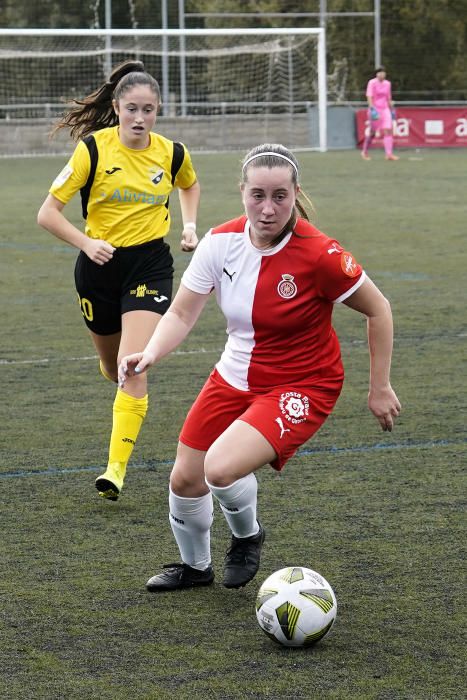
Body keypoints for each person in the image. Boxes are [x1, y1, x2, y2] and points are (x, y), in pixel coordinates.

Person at [118, 143, 401, 592]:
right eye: (258, 196)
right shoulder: (220, 242)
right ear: (242, 192)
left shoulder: (321, 254)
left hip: (303, 384)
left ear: (295, 194)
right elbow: (181, 313)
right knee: (186, 478)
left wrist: (379, 386)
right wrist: (150, 353)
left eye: (279, 197)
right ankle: (195, 569)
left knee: (221, 468)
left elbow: (379, 310)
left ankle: (248, 537)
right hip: (233, 375)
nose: (268, 209)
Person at [37, 59, 200, 501]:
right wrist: (86, 244)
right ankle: (115, 371)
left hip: (149, 265)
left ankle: (114, 470)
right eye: (132, 109)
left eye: (149, 110)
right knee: (112, 368)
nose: (140, 119)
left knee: (133, 366)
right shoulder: (93, 149)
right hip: (98, 268)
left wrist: (189, 225)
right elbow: (47, 213)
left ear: (158, 110)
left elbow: (188, 183)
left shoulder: (171, 152)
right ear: (117, 106)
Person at [361, 66, 399, 161]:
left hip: (385, 109)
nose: (382, 74)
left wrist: (392, 109)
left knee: (388, 130)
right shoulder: (372, 82)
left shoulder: (387, 84)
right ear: (376, 74)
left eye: (383, 72)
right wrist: (372, 108)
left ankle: (389, 154)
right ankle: (364, 151)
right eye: (379, 72)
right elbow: (369, 96)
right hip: (375, 109)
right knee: (372, 132)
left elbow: (388, 97)